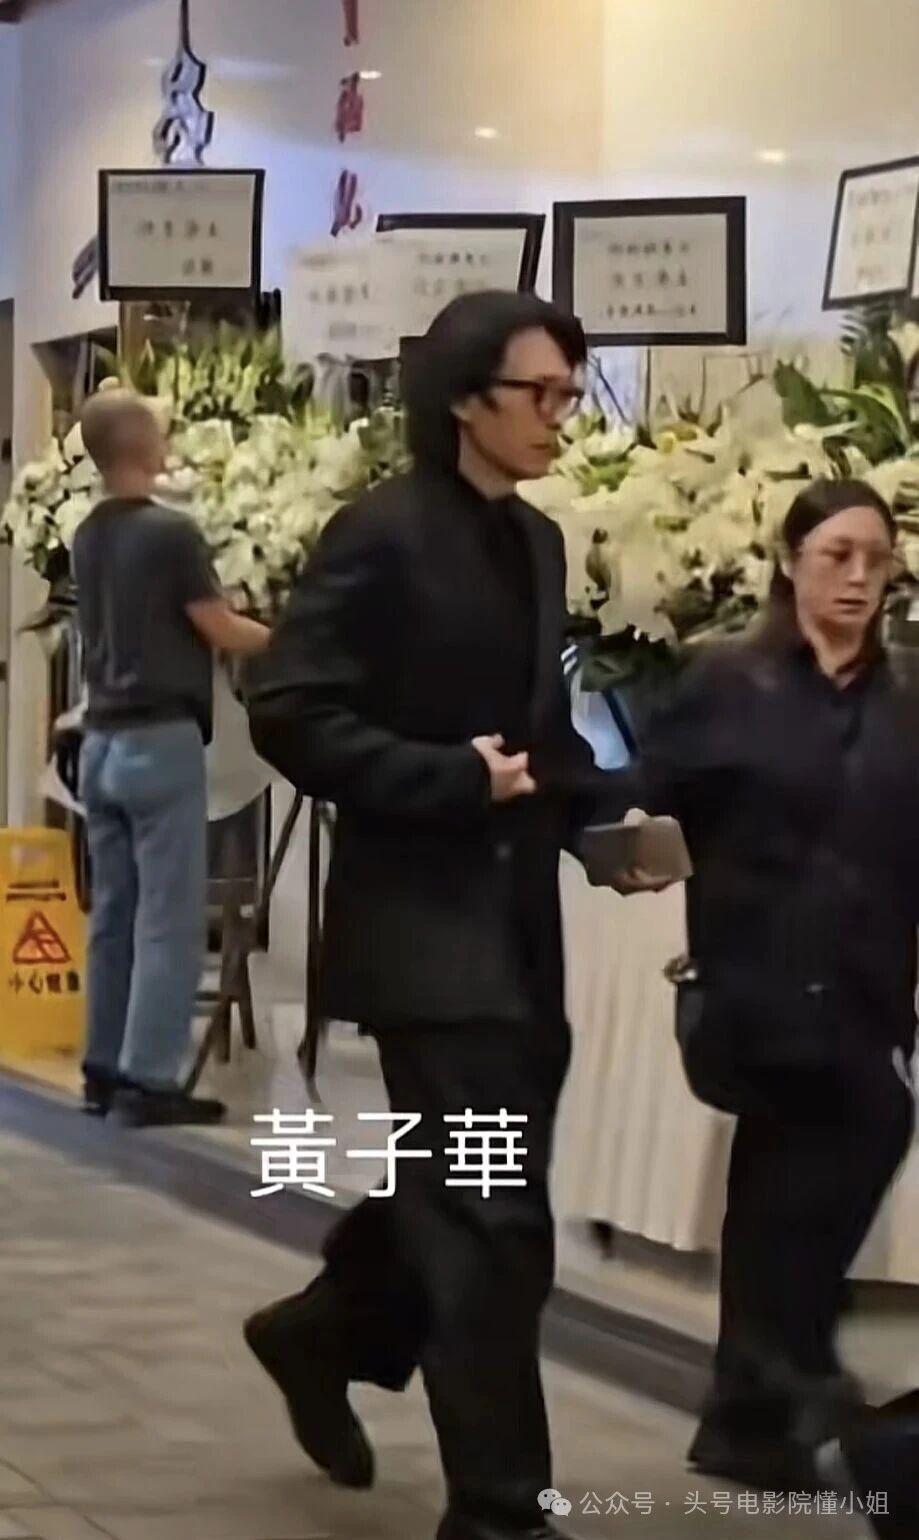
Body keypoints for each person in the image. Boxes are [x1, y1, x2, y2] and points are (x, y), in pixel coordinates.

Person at [243, 290, 622, 1540]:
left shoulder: (537, 541)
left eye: (570, 394)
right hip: (421, 933)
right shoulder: (379, 536)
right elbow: (289, 709)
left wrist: (605, 823)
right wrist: (445, 777)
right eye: (539, 394)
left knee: (463, 1192)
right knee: (493, 1218)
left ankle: (320, 1331)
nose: (559, 418)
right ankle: (501, 1509)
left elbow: (540, 738)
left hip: (516, 930)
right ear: (464, 398)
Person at [618, 479, 918, 1488]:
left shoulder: (903, 700)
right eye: (836, 555)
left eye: (875, 558)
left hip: (866, 985)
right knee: (792, 1176)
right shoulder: (726, 682)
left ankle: (754, 1402)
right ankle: (783, 1376)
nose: (857, 577)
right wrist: (637, 849)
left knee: (822, 1164)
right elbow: (646, 804)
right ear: (791, 564)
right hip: (756, 982)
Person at [73, 389, 270, 1129]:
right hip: (161, 741)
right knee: (167, 916)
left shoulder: (88, 533)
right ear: (145, 447)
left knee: (113, 914)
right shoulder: (171, 534)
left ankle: (102, 1068)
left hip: (101, 741)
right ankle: (149, 1079)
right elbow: (217, 627)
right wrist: (291, 636)